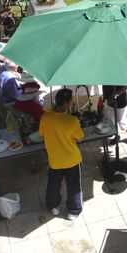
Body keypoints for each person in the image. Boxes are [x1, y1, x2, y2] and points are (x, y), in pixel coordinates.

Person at [39, 89, 84, 220]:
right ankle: (73, 211)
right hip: (72, 159)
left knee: (53, 184)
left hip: (54, 159)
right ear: (68, 103)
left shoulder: (45, 117)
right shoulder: (72, 121)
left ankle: (53, 206)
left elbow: (42, 134)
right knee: (74, 185)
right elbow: (80, 137)